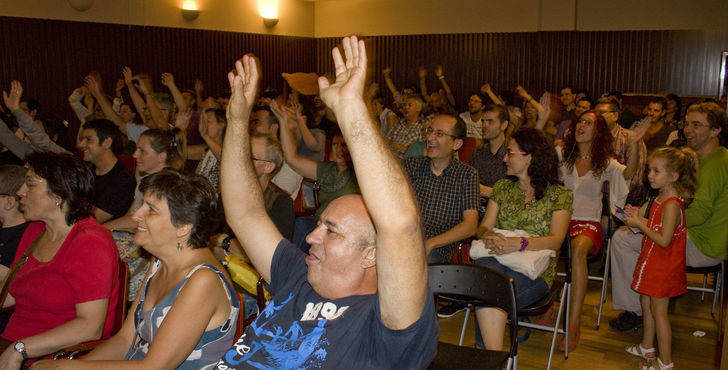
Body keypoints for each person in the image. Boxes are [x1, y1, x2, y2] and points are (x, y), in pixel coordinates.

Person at [217, 37, 437, 368]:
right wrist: (236, 121)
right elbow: (245, 214)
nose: (309, 237)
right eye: (319, 225)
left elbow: (401, 226)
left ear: (372, 254)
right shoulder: (299, 273)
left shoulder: (386, 324)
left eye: (331, 231)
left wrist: (351, 109)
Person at [34, 170, 240, 369]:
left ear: (183, 226)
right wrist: (73, 365)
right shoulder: (159, 263)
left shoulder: (203, 280)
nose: (136, 215)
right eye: (142, 205)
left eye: (151, 209)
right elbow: (125, 340)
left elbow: (155, 366)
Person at [609, 102, 728, 333]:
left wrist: (646, 223)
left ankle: (638, 311)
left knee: (623, 239)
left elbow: (698, 213)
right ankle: (653, 298)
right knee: (630, 231)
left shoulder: (715, 163)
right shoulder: (701, 157)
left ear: (716, 131)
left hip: (704, 245)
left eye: (697, 125)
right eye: (686, 124)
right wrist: (644, 216)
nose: (688, 130)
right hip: (694, 235)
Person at [0, 152, 120, 369]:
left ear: (57, 194)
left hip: (54, 358)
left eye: (29, 184)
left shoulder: (91, 243)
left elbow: (90, 327)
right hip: (12, 345)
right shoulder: (36, 229)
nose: (20, 192)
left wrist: (20, 349)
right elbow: (11, 293)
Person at [474, 128, 573, 351]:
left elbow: (556, 241)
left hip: (534, 271)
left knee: (490, 293)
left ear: (529, 156)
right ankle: (494, 359)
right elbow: (482, 228)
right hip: (496, 260)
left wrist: (519, 243)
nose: (505, 158)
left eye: (510, 153)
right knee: (491, 285)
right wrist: (490, 236)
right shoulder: (502, 188)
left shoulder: (558, 194)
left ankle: (488, 358)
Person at [556, 110, 634, 351]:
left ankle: (573, 323)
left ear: (597, 131)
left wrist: (636, 144)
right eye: (580, 121)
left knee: (578, 248)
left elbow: (628, 175)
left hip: (588, 222)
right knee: (549, 241)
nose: (581, 126)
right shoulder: (562, 154)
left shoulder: (605, 162)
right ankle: (549, 302)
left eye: (588, 123)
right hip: (560, 218)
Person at [622, 147, 697, 370]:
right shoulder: (660, 197)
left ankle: (665, 362)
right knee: (645, 302)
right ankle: (647, 346)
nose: (650, 175)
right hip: (653, 261)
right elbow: (655, 226)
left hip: (663, 266)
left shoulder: (672, 204)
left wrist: (638, 225)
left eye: (656, 171)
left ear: (673, 177)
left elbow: (664, 240)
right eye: (649, 170)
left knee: (659, 312)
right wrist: (637, 219)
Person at [272, 100, 360, 250]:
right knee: (300, 223)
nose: (339, 149)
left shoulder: (359, 173)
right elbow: (292, 159)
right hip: (320, 225)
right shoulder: (327, 169)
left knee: (302, 225)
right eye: (335, 144)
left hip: (345, 229)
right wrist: (283, 122)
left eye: (344, 145)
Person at [403, 114, 479, 264]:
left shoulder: (467, 175)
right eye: (430, 131)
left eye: (439, 134)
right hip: (405, 237)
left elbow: (470, 226)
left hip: (438, 245)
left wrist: (431, 243)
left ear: (456, 144)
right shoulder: (412, 165)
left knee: (415, 264)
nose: (430, 137)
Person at [77, 119, 136, 223]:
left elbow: (92, 220)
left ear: (107, 142)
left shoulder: (123, 180)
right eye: (82, 139)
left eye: (88, 140)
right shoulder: (85, 169)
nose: (81, 145)